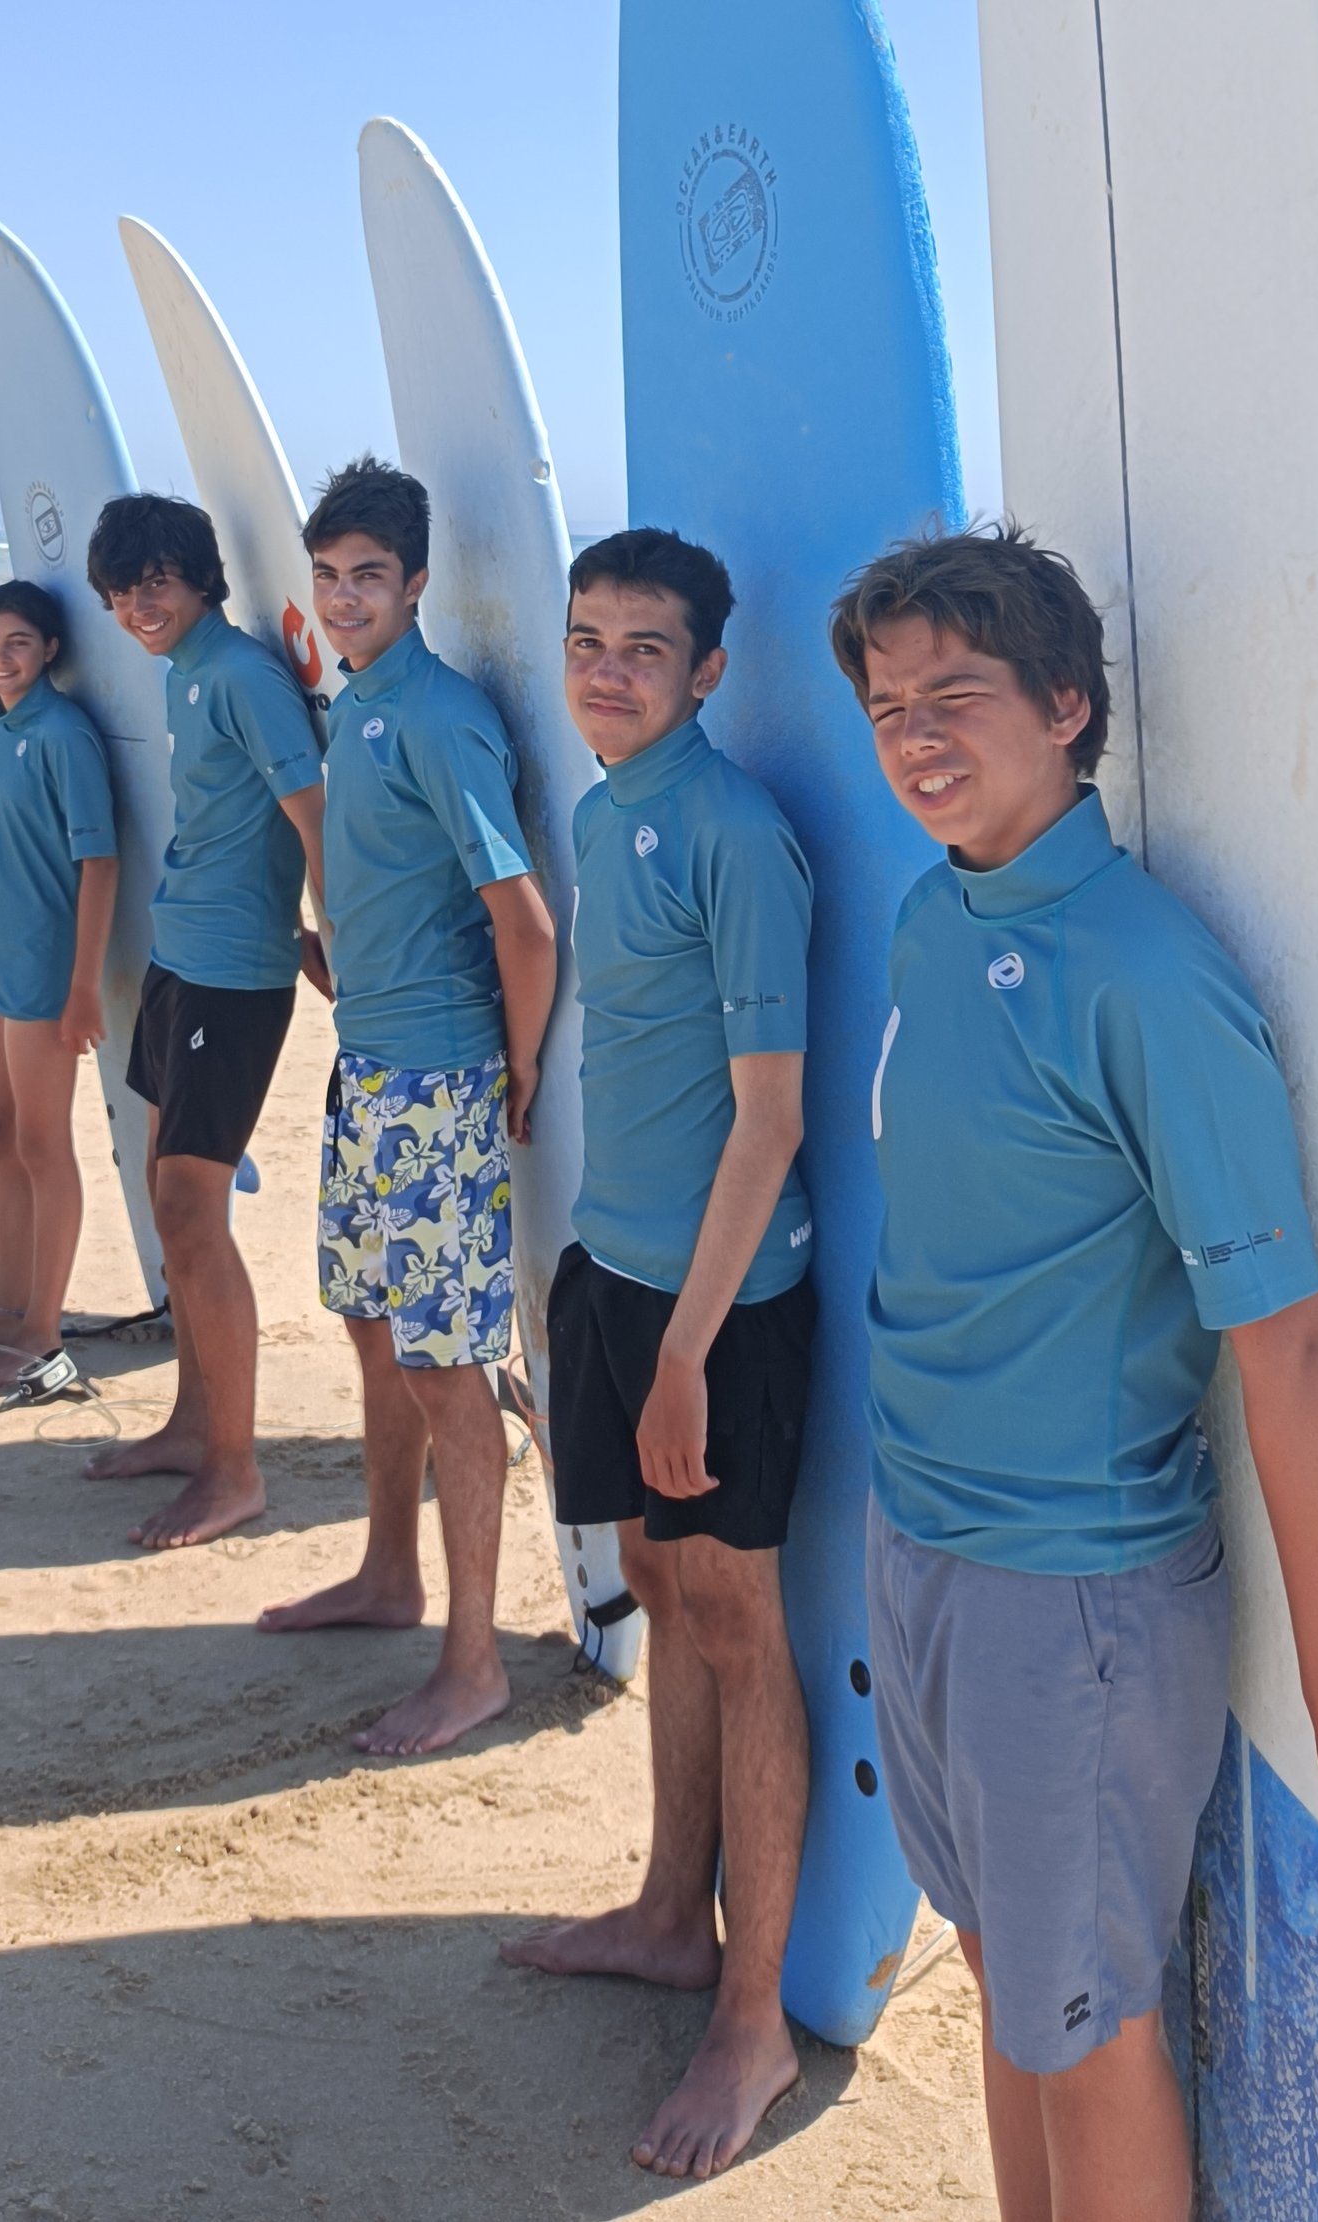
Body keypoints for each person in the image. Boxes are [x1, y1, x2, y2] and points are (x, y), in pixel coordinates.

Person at [835, 524, 1318, 2222]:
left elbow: (1294, 1345)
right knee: (1000, 1973)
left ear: (1068, 702)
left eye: (955, 692)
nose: (915, 735)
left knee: (1092, 2028)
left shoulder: (1146, 975)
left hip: (1077, 1596)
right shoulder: (930, 916)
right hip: (924, 1542)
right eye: (888, 705)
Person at [502, 528, 816, 2182]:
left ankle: (753, 2012)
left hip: (726, 1302)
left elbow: (771, 1123)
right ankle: (662, 1909)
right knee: (653, 1575)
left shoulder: (733, 831)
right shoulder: (605, 804)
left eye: (645, 646)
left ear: (708, 669)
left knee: (735, 1616)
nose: (607, 667)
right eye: (586, 637)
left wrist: (690, 1347)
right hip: (611, 1272)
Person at [260, 455, 559, 1758]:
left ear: (418, 582)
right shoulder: (360, 702)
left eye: (368, 576)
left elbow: (525, 922)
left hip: (438, 1079)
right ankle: (391, 1573)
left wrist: (524, 1069)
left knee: (445, 1367)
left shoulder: (438, 716)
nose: (344, 598)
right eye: (327, 577)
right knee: (375, 1329)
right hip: (370, 1062)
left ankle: (476, 1662)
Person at [82, 491, 329, 1550]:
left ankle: (235, 1469)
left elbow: (313, 817)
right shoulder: (184, 674)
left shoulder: (238, 676)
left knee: (192, 1210)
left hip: (231, 978)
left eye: (156, 582)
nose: (139, 604)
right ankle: (193, 1421)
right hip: (179, 957)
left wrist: (331, 937)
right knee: (162, 1196)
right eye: (120, 589)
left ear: (198, 580)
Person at [0, 581, 120, 1403]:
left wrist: (83, 987)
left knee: (46, 1144)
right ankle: (7, 1308)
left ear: (49, 650)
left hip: (46, 969)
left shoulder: (63, 734)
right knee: (1, 1134)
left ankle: (45, 1329)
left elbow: (101, 863)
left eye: (17, 642)